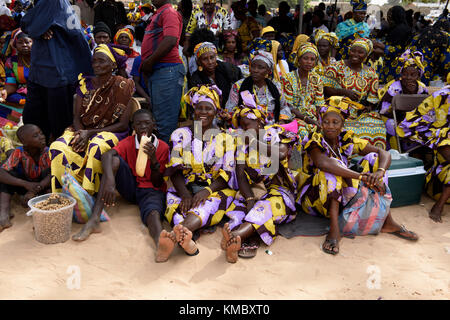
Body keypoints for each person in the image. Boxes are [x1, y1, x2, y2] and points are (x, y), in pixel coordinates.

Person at [297, 102, 419, 255]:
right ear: (321, 123)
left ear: (343, 124)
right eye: (326, 122)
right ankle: (335, 230)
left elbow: (384, 153)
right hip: (315, 199)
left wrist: (379, 173)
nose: (330, 126)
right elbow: (323, 163)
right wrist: (361, 177)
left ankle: (388, 222)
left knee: (374, 158)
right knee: (332, 171)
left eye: (335, 122)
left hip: (343, 198)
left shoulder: (346, 138)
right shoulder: (314, 139)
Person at [72, 109, 172, 261]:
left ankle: (160, 241)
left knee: (153, 214)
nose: (143, 127)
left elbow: (158, 182)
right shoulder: (129, 142)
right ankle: (94, 218)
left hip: (151, 190)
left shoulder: (162, 147)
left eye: (147, 123)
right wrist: (111, 181)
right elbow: (107, 155)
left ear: (154, 125)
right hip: (131, 187)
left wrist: (153, 160)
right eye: (139, 124)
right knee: (114, 160)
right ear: (133, 127)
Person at [49, 44, 134, 195]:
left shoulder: (123, 86)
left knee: (96, 145)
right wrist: (82, 132)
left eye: (101, 61)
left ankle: (88, 193)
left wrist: (90, 133)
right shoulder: (84, 85)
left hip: (111, 132)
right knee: (57, 146)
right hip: (81, 129)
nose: (96, 65)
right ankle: (62, 193)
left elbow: (122, 124)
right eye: (94, 61)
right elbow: (76, 118)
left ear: (113, 64)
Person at [165, 85, 236, 257]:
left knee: (204, 207)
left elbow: (227, 173)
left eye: (208, 108)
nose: (203, 112)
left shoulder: (226, 138)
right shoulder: (180, 134)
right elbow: (174, 168)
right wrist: (185, 194)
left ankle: (174, 238)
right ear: (193, 110)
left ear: (216, 111)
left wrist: (206, 191)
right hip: (184, 187)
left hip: (214, 188)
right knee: (176, 206)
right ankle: (189, 243)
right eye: (199, 108)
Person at [223, 118, 299, 263]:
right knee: (240, 207)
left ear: (259, 123)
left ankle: (234, 236)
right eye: (241, 126)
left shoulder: (276, 134)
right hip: (255, 190)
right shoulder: (242, 144)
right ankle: (236, 239)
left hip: (279, 191)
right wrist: (250, 199)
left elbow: (281, 153)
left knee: (264, 207)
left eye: (246, 124)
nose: (244, 129)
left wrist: (253, 142)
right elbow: (240, 175)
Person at [20, 0, 93, 142]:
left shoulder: (53, 2)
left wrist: (39, 27)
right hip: (45, 71)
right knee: (40, 119)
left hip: (56, 71)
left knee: (56, 123)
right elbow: (29, 25)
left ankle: (56, 156)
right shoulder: (55, 4)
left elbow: (26, 22)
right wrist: (41, 27)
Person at [397, 73, 450, 222]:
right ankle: (438, 206)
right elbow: (409, 123)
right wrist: (433, 134)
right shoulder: (442, 134)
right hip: (440, 185)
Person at [323, 38, 386, 149]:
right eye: (353, 51)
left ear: (367, 55)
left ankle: (371, 156)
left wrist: (368, 107)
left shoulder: (371, 73)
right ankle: (343, 153)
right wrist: (343, 92)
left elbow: (372, 99)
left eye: (360, 52)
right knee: (342, 126)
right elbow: (325, 88)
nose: (355, 54)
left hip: (358, 112)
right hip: (336, 109)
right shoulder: (336, 67)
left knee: (377, 124)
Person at [140, 0, 185, 144]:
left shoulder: (169, 12)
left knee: (164, 124)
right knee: (159, 120)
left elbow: (171, 39)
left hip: (167, 71)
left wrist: (150, 61)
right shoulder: (158, 14)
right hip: (160, 72)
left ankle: (165, 162)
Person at [0, 124, 49, 232]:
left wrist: (37, 188)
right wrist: (25, 184)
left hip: (42, 187)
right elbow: (1, 173)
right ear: (25, 142)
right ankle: (3, 215)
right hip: (26, 184)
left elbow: (52, 175)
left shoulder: (48, 152)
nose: (42, 136)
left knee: (51, 175)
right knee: (8, 174)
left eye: (41, 133)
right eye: (36, 135)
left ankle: (44, 217)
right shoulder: (19, 152)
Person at [378, 50, 428, 150]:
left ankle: (417, 153)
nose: (408, 78)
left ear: (418, 76)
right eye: (405, 74)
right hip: (392, 117)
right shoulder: (394, 87)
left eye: (413, 75)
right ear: (401, 74)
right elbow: (383, 110)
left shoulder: (422, 88)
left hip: (412, 118)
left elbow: (426, 108)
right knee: (392, 127)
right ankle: (396, 152)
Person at [226, 49, 292, 124]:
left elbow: (283, 107)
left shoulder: (276, 86)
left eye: (260, 67)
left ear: (269, 71)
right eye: (253, 66)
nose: (255, 70)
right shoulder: (238, 86)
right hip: (246, 126)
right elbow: (230, 109)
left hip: (272, 126)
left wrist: (281, 121)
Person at [282, 42, 324, 139]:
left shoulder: (317, 79)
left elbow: (319, 104)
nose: (309, 62)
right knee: (303, 133)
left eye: (312, 59)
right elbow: (289, 106)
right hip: (294, 117)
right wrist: (307, 119)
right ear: (299, 59)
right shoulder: (288, 79)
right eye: (305, 58)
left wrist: (319, 120)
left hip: (312, 117)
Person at [189, 42, 242, 109]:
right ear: (199, 62)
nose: (210, 62)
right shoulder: (195, 79)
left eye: (212, 57)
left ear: (216, 57)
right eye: (205, 59)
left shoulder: (228, 69)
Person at [408, 19, 450, 86]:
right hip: (426, 69)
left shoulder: (422, 33)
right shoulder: (447, 36)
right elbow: (446, 61)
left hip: (409, 65)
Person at [377, 6, 413, 84]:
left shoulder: (400, 30)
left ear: (395, 16)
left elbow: (398, 49)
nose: (388, 18)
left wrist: (378, 45)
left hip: (395, 66)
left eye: (390, 16)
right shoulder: (401, 28)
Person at [2, 28, 31, 105]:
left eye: (27, 42)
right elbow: (11, 84)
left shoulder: (43, 60)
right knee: (9, 98)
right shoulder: (11, 62)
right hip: (22, 95)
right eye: (20, 42)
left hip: (41, 94)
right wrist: (5, 92)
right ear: (15, 45)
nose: (24, 45)